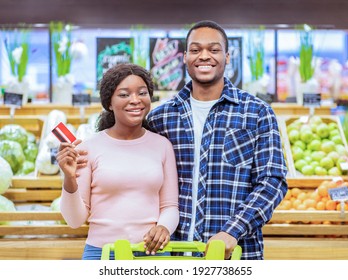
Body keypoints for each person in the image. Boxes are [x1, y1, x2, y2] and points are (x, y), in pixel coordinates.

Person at [146, 20, 288, 260]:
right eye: (195, 49)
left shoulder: (257, 113)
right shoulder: (161, 117)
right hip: (173, 255)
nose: (204, 56)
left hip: (237, 254)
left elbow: (272, 181)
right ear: (184, 57)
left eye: (213, 50)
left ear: (227, 56)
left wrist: (232, 231)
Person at [56, 63, 179, 260]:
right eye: (124, 94)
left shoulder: (162, 145)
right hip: (101, 254)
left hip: (150, 254)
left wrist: (164, 227)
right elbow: (74, 220)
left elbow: (170, 206)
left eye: (142, 93)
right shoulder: (88, 147)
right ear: (109, 103)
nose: (135, 100)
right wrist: (69, 180)